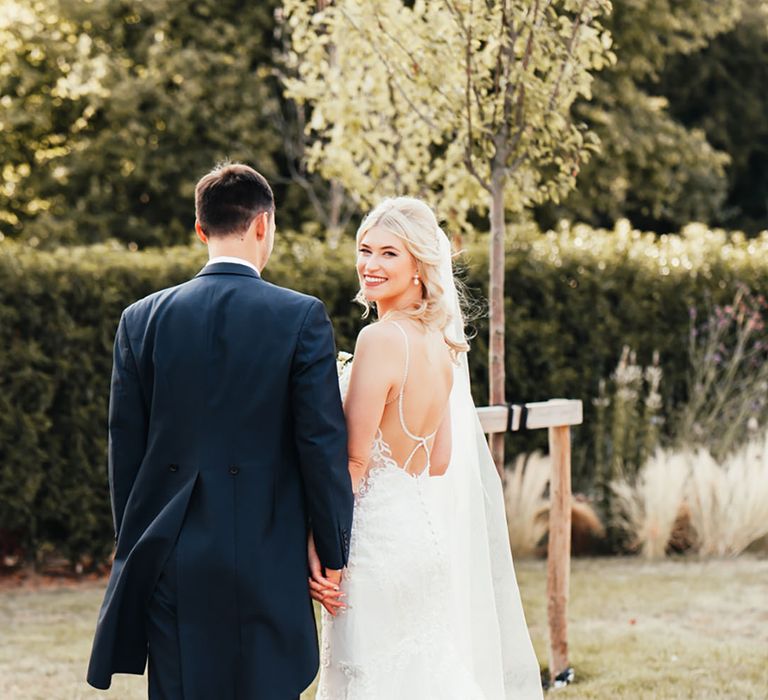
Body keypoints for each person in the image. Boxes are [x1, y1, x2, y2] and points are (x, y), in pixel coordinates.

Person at [86, 163, 354, 700]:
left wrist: (136, 543)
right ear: (264, 225)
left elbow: (126, 451)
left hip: (171, 555)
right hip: (268, 553)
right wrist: (333, 551)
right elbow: (321, 446)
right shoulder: (300, 317)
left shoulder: (140, 320)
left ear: (200, 230)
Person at [312, 197, 544, 699]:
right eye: (365, 250)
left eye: (389, 254)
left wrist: (320, 543)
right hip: (420, 541)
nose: (370, 265)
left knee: (368, 678)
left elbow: (353, 462)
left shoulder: (379, 339)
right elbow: (437, 460)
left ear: (419, 264)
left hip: (371, 543)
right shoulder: (441, 344)